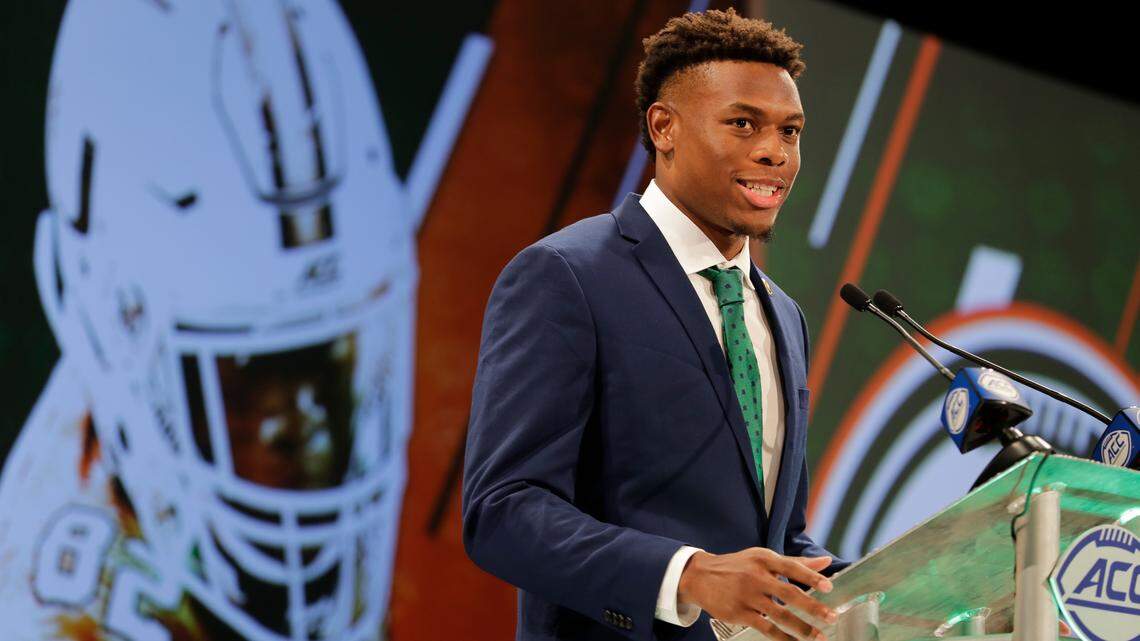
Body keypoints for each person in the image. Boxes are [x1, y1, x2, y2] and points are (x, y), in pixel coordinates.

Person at [463, 9, 849, 641]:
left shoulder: (783, 314)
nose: (774, 151)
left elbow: (778, 540)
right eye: (743, 123)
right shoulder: (566, 276)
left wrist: (918, 592)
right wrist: (689, 575)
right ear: (664, 127)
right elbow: (502, 510)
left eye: (791, 131)